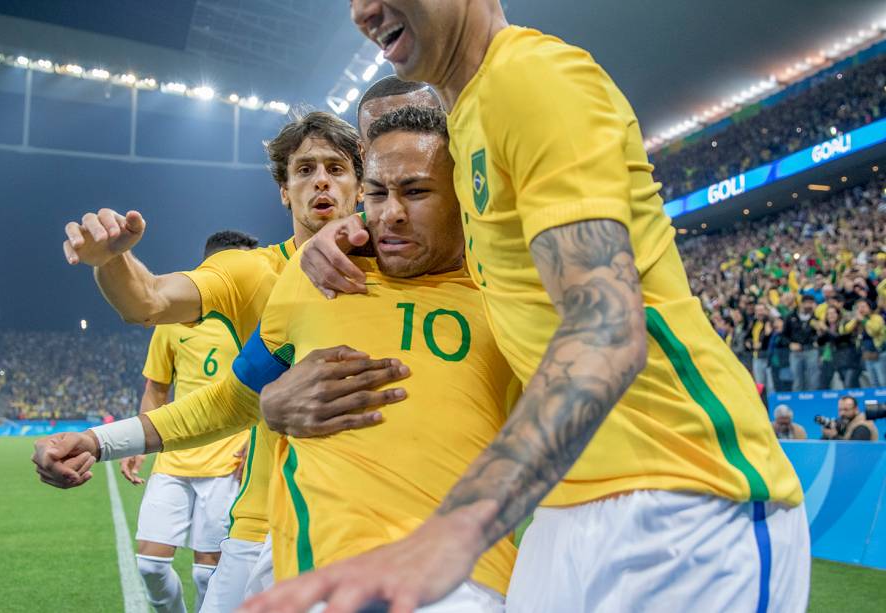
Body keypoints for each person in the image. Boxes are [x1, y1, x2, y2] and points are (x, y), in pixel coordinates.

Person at [269, 1, 810, 611]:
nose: (363, 10)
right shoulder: (469, 118)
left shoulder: (531, 78)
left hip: (684, 494)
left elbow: (605, 329)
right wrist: (341, 231)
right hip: (563, 507)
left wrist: (450, 532)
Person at [33, 106, 517, 611]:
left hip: (459, 571)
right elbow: (161, 316)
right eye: (305, 170)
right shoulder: (280, 279)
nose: (322, 183)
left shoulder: (501, 291)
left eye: (336, 168)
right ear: (285, 190)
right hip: (274, 534)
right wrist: (112, 262)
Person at [124, 231, 257, 613]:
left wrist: (256, 443)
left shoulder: (257, 321)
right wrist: (137, 442)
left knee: (206, 575)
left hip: (227, 464)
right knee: (150, 564)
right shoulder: (174, 320)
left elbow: (271, 387)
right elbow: (156, 387)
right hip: (174, 458)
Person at [783, 294, 821, 391]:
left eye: (811, 303)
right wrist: (790, 344)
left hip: (811, 350)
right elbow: (783, 336)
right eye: (807, 303)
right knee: (796, 379)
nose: (809, 306)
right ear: (801, 304)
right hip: (796, 352)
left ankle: (813, 401)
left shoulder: (816, 318)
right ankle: (798, 402)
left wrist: (818, 335)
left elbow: (822, 336)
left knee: (813, 379)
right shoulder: (790, 316)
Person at [748, 303, 774, 391]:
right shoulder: (753, 323)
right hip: (756, 357)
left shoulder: (769, 322)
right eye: (758, 310)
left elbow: (768, 336)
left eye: (762, 310)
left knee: (770, 385)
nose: (760, 312)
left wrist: (761, 343)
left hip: (768, 357)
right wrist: (750, 344)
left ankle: (772, 403)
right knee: (760, 385)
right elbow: (748, 337)